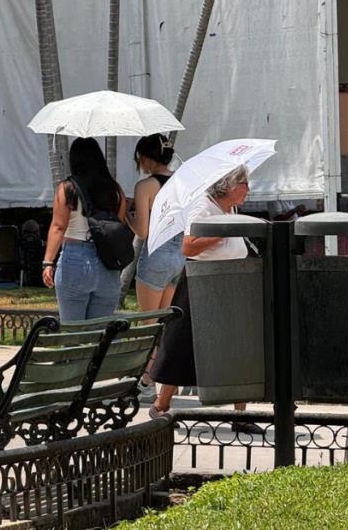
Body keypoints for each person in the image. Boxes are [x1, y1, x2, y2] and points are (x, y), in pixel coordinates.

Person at [148, 165, 261, 433]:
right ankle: (161, 404)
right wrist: (222, 232)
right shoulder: (203, 206)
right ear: (231, 185)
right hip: (202, 283)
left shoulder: (230, 208)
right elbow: (188, 246)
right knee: (183, 345)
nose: (249, 189)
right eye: (245, 183)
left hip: (230, 280)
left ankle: (240, 414)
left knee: (237, 346)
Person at [42, 138, 129, 321]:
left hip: (75, 259)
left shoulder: (67, 188)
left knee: (72, 332)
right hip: (108, 263)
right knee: (98, 334)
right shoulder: (115, 190)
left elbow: (58, 226)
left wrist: (48, 262)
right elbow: (117, 226)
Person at [128, 134, 186, 397]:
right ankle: (162, 378)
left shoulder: (146, 186)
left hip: (157, 255)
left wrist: (124, 216)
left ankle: (146, 381)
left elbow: (142, 230)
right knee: (163, 323)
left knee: (147, 323)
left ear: (146, 158)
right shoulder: (182, 181)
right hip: (178, 256)